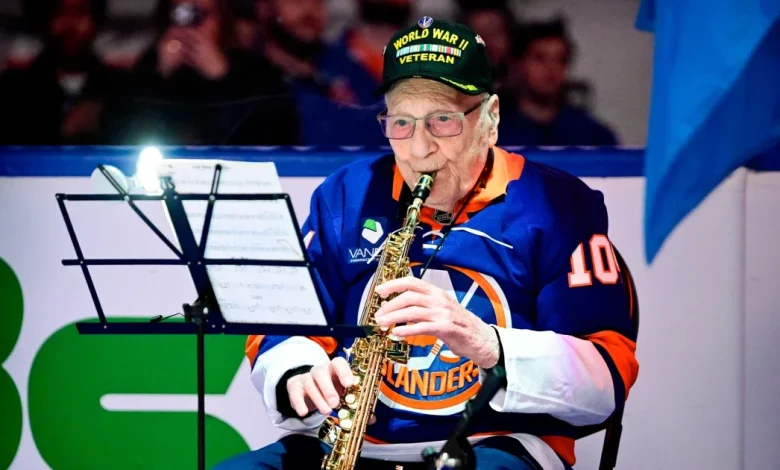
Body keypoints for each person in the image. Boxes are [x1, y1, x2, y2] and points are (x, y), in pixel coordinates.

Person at [216, 18, 639, 470]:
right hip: (352, 445)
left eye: (442, 120)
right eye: (401, 121)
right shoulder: (347, 194)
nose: (419, 149)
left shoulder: (558, 206)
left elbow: (606, 380)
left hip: (495, 444)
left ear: (490, 119)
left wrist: (488, 342)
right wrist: (301, 373)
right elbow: (282, 324)